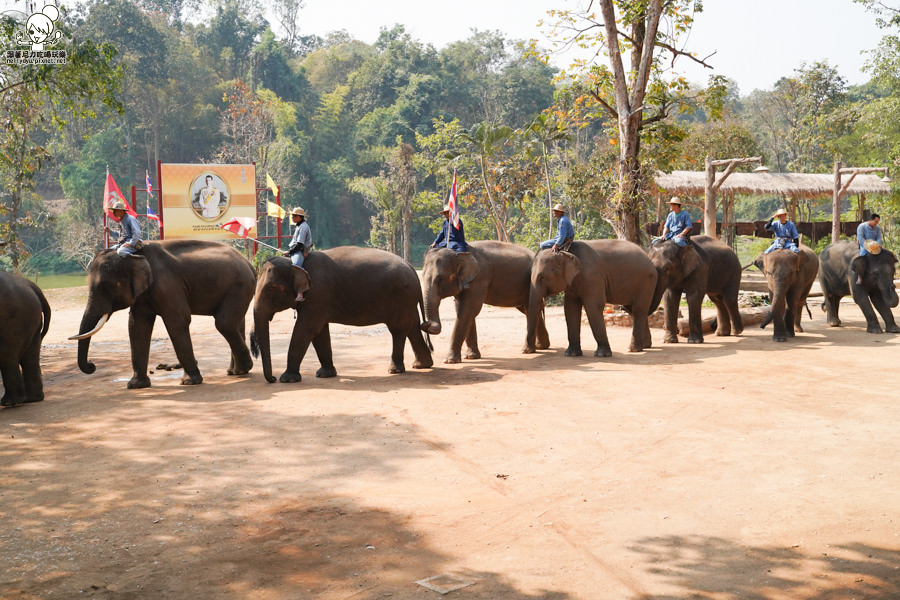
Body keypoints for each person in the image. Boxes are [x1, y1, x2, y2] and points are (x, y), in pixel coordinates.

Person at [856, 213, 884, 283]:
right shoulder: (861, 226)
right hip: (864, 246)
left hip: (875, 246)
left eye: (878, 222)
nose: (876, 223)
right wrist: (868, 246)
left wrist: (877, 244)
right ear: (870, 220)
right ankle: (860, 276)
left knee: (885, 254)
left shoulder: (877, 228)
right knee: (862, 257)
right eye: (875, 221)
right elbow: (860, 238)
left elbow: (879, 238)